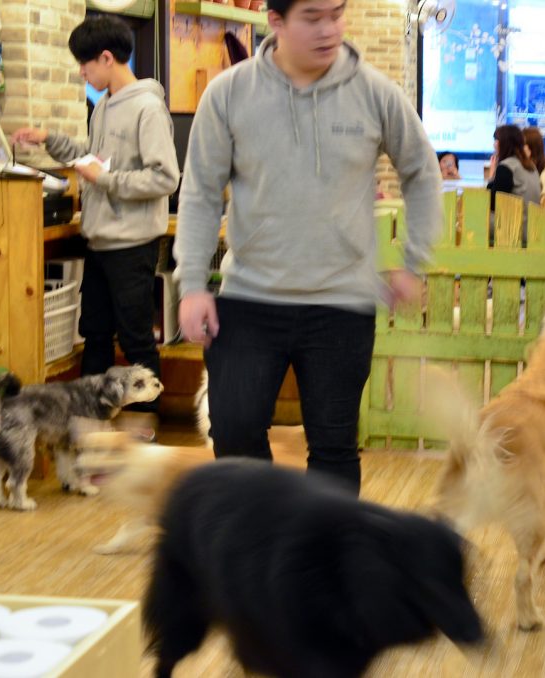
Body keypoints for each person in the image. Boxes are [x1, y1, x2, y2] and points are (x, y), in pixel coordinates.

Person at [173, 0, 442, 494]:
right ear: (276, 23)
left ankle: (325, 564)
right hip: (250, 299)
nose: (330, 29)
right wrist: (191, 284)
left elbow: (422, 175)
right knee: (232, 435)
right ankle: (257, 559)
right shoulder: (229, 94)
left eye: (337, 14)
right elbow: (200, 193)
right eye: (313, 17)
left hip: (341, 303)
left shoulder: (376, 93)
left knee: (334, 445)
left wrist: (413, 261)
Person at [12, 16, 179, 415]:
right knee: (95, 337)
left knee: (136, 341)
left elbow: (165, 177)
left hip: (132, 245)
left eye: (85, 64)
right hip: (99, 242)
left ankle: (144, 441)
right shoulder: (103, 105)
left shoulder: (148, 108)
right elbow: (92, 158)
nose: (81, 72)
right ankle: (89, 435)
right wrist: (48, 139)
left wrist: (106, 179)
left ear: (107, 58)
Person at [486, 124, 541, 211]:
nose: (494, 144)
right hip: (532, 221)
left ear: (504, 143)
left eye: (496, 140)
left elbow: (491, 204)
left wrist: (492, 175)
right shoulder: (531, 165)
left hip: (516, 222)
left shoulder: (506, 167)